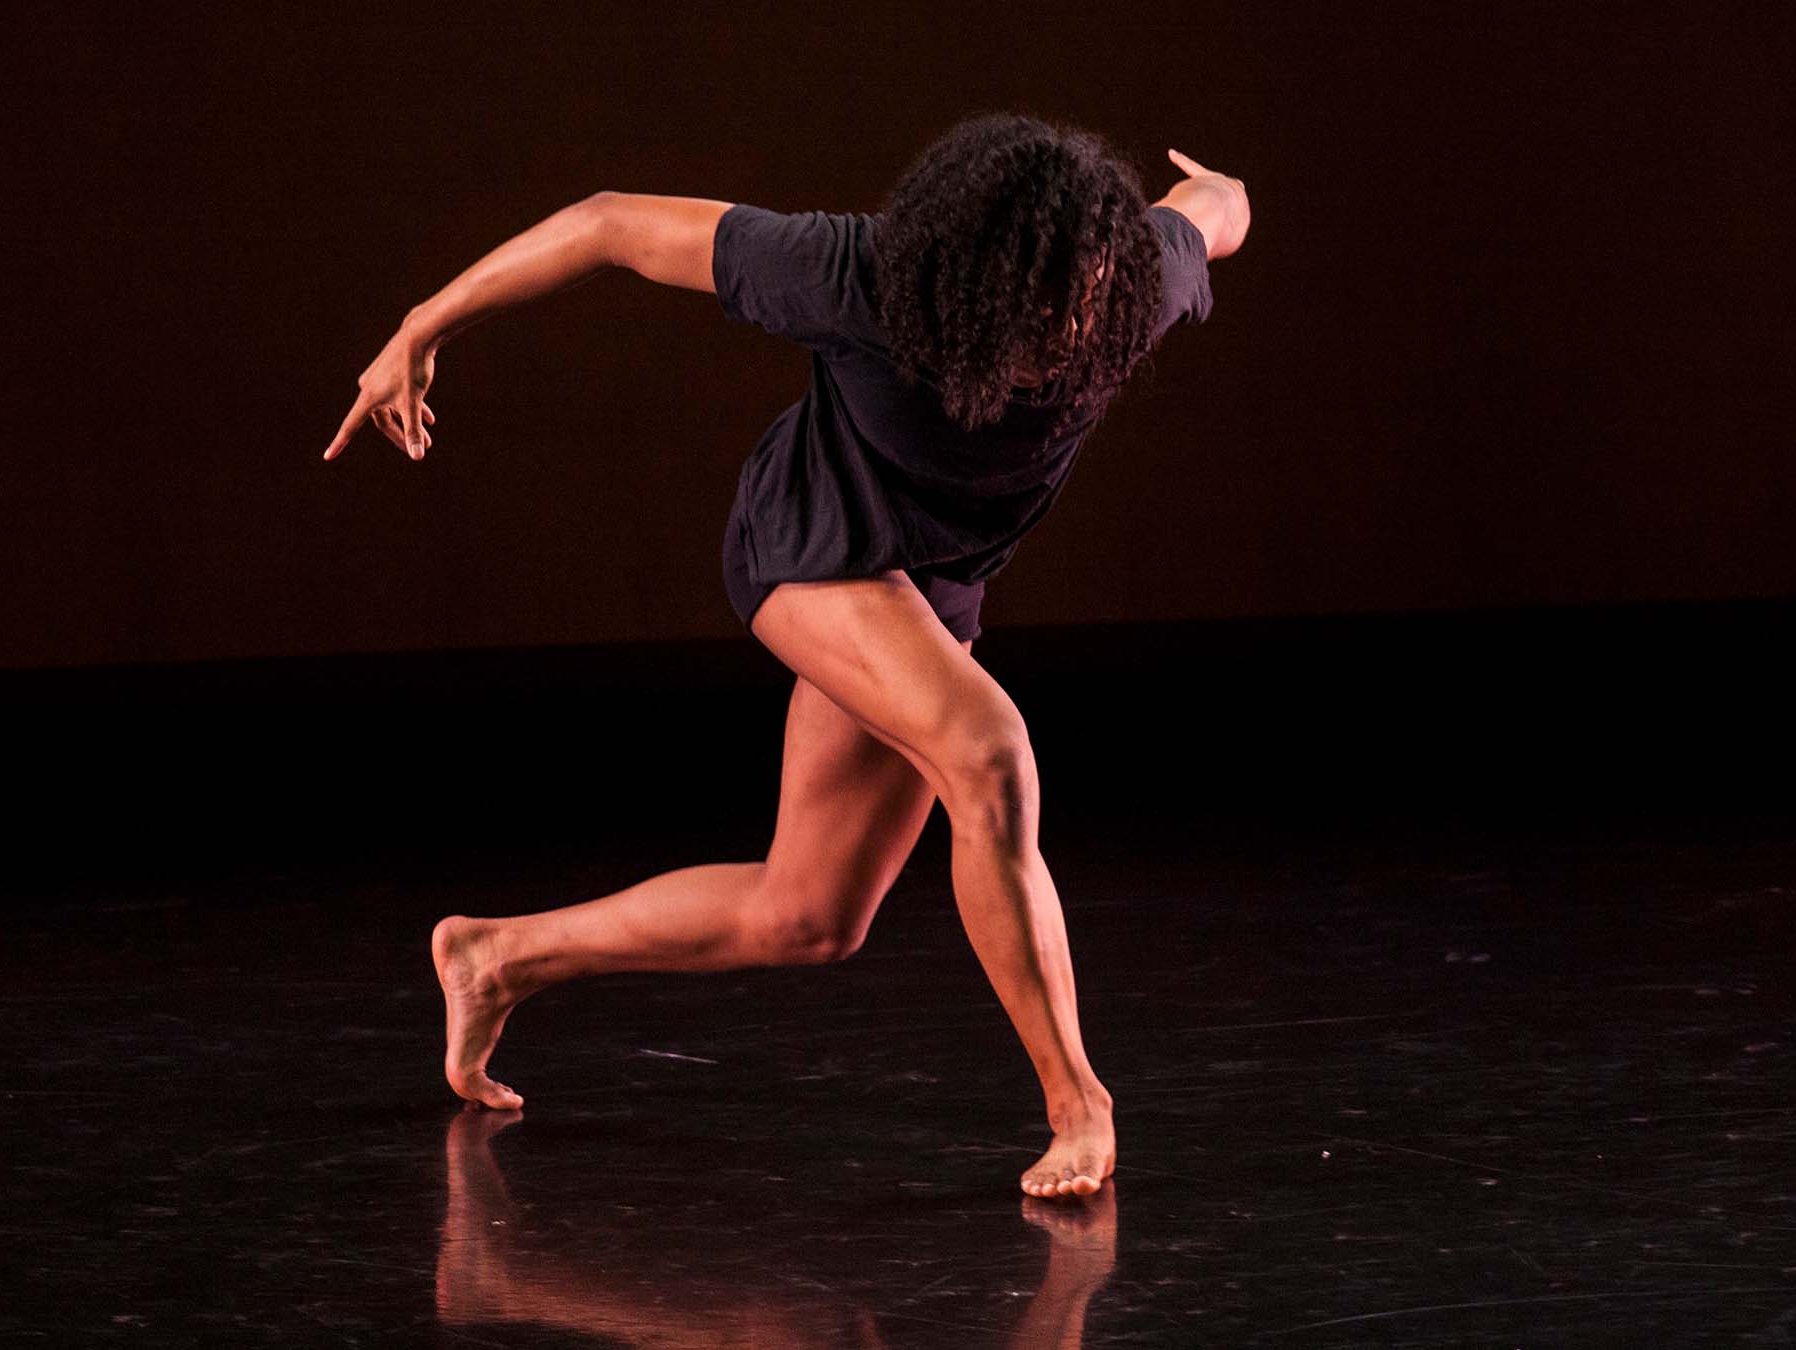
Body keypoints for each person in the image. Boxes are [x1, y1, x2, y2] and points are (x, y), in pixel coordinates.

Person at [322, 113, 1249, 1199]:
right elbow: (611, 223)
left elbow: (1215, 210)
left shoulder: (1137, 281)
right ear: (972, 281)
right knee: (990, 752)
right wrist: (421, 326)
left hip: (925, 589)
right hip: (811, 545)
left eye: (1090, 299)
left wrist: (1220, 186)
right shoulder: (858, 274)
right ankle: (1077, 1105)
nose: (1072, 330)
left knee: (808, 915)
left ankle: (495, 956)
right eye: (1044, 307)